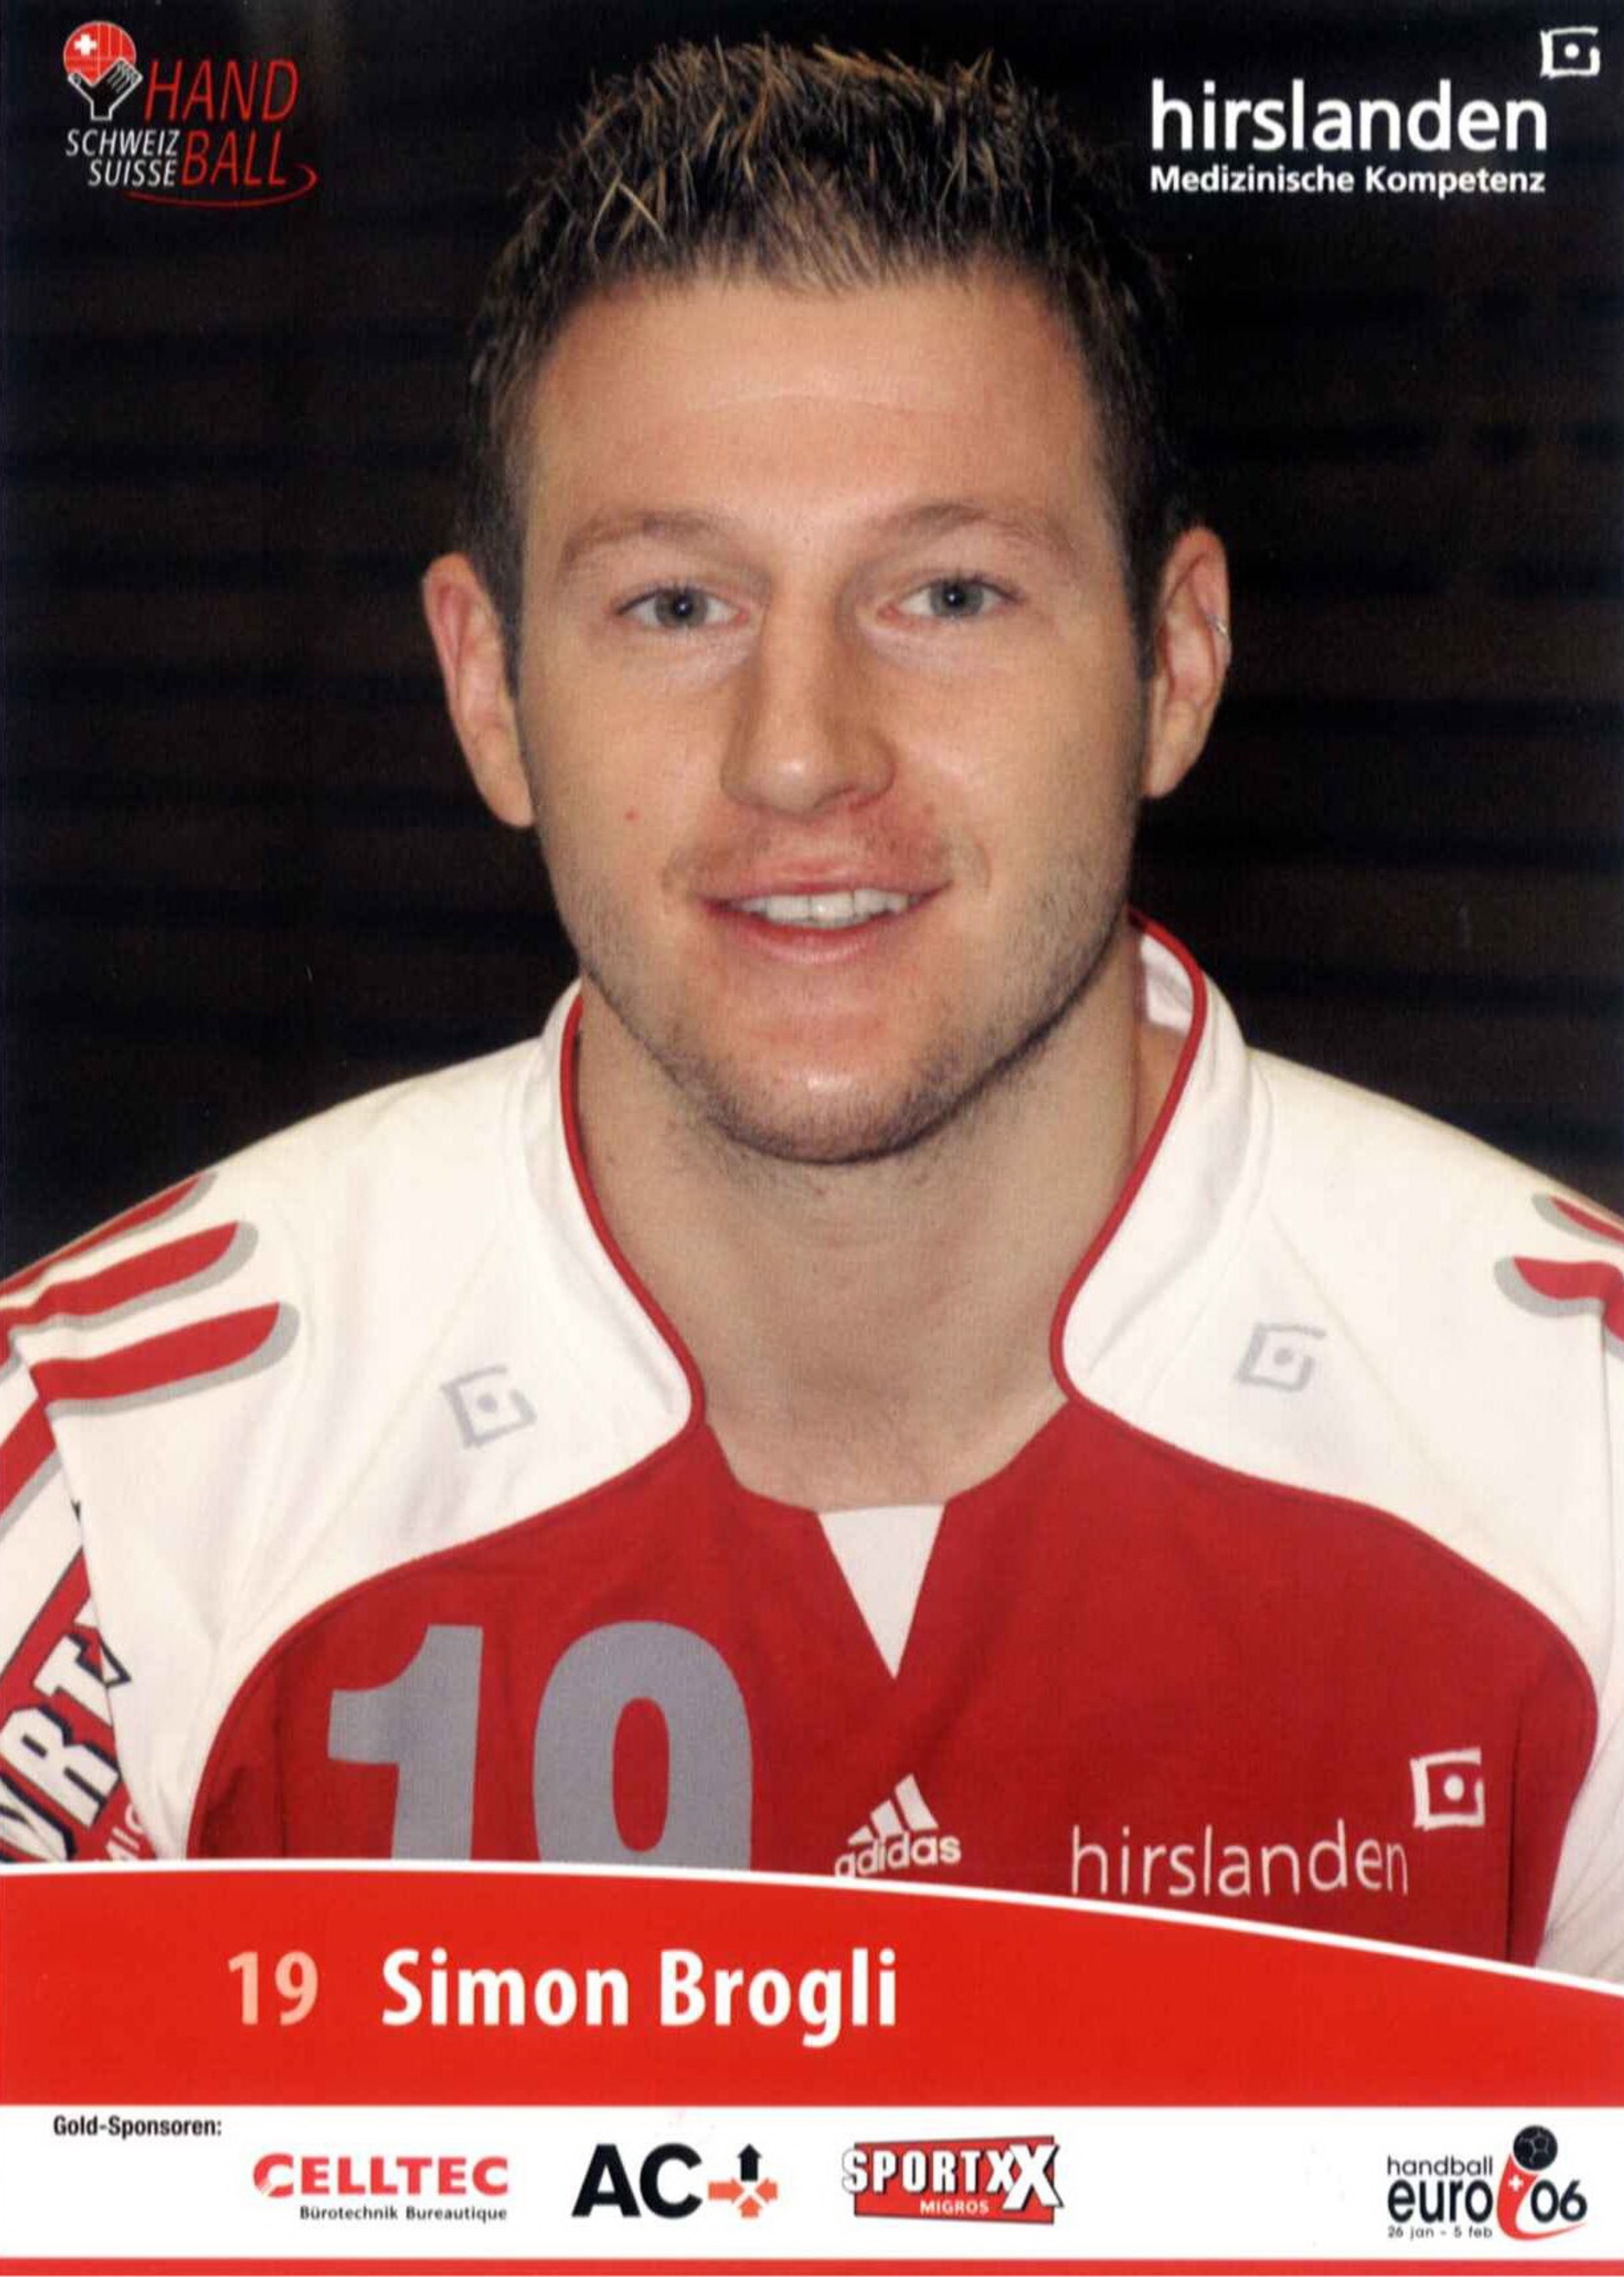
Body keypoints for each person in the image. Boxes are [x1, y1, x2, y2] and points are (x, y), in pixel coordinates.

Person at [1, 41, 1618, 1981]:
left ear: (1176, 663)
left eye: (948, 594)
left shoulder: (1580, 1461)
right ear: (489, 690)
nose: (800, 754)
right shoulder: (103, 1481)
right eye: (676, 605)